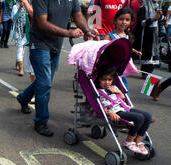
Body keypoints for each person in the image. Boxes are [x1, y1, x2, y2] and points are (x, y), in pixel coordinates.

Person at [16, 0, 99, 136]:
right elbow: (42, 23)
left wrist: (87, 31)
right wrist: (68, 33)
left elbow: (77, 15)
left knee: (45, 81)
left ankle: (23, 98)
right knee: (45, 83)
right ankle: (41, 121)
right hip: (39, 43)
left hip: (56, 45)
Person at [96, 64, 152, 155]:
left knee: (148, 115)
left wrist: (119, 92)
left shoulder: (114, 87)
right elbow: (99, 107)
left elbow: (123, 99)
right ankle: (128, 141)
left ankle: (138, 140)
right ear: (98, 79)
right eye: (103, 80)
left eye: (109, 80)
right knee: (139, 118)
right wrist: (110, 113)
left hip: (124, 107)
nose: (107, 82)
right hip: (116, 112)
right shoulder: (98, 92)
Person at [103, 8, 142, 94]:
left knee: (123, 85)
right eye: (121, 19)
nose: (124, 22)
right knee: (109, 84)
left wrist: (135, 51)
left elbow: (126, 47)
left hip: (122, 67)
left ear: (131, 22)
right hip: (110, 66)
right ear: (115, 20)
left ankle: (124, 100)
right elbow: (102, 49)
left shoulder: (127, 36)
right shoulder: (110, 36)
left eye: (127, 20)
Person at [133, 0, 164, 75]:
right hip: (145, 36)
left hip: (155, 36)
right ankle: (145, 73)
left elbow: (161, 21)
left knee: (153, 56)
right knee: (146, 55)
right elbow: (141, 23)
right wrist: (153, 19)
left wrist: (160, 17)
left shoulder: (158, 7)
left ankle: (147, 73)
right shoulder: (143, 8)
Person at [11, 0, 32, 77]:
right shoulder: (15, 7)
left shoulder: (29, 6)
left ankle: (18, 61)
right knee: (20, 48)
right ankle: (21, 68)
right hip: (18, 31)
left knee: (23, 49)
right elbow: (13, 18)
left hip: (26, 31)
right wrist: (20, 8)